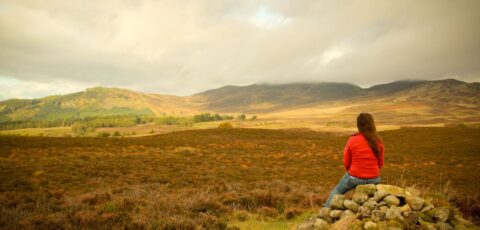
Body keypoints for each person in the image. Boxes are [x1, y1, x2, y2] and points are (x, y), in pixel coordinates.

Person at [324, 113, 385, 207]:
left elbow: (346, 162)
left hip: (354, 177)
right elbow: (380, 163)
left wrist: (352, 172)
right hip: (374, 178)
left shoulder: (352, 140)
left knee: (337, 191)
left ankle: (324, 213)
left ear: (358, 125)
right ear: (372, 124)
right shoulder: (377, 140)